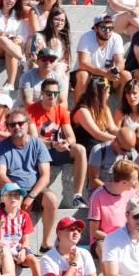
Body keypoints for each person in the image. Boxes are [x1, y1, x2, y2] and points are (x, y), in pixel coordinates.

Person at [0, 106, 58, 251]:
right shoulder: (1, 147)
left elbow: (45, 175)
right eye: (12, 124)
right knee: (16, 200)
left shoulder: (37, 144)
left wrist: (32, 196)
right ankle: (21, 245)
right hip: (12, 189)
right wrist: (18, 192)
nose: (17, 127)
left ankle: (45, 243)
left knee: (52, 198)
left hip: (34, 189)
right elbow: (0, 175)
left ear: (27, 124)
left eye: (20, 123)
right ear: (8, 128)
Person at [27, 77, 88, 208]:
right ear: (42, 93)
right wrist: (52, 144)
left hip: (57, 150)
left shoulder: (61, 110)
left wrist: (66, 142)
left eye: (56, 93)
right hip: (40, 152)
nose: (52, 97)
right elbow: (33, 138)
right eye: (49, 93)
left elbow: (72, 137)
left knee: (80, 149)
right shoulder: (31, 110)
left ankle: (77, 196)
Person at [87, 158, 138, 259]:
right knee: (102, 247)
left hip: (127, 237)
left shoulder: (132, 193)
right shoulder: (98, 196)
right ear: (123, 182)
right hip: (104, 239)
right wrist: (116, 239)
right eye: (134, 179)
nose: (137, 182)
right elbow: (94, 232)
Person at [72, 15, 128, 105]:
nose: (108, 31)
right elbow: (83, 63)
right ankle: (78, 110)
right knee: (83, 75)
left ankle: (124, 111)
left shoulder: (116, 38)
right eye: (103, 28)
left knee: (126, 75)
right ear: (95, 28)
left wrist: (115, 70)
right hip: (88, 75)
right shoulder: (86, 37)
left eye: (111, 28)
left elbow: (120, 63)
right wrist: (104, 73)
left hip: (107, 76)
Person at [0, 182, 40, 276]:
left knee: (35, 261)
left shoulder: (24, 216)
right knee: (9, 268)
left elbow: (26, 239)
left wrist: (23, 251)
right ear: (2, 198)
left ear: (21, 198)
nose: (13, 197)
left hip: (19, 248)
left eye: (17, 195)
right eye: (10, 194)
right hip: (2, 248)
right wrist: (7, 253)